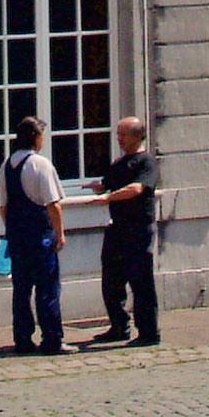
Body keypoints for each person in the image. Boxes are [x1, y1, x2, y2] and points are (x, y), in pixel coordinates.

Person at [83, 117, 159, 349]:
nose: (119, 139)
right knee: (111, 282)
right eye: (118, 134)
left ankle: (148, 332)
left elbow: (136, 189)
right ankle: (119, 327)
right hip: (117, 229)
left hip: (139, 230)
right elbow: (108, 183)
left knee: (141, 282)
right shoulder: (119, 163)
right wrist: (98, 186)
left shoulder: (147, 162)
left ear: (138, 136)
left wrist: (108, 197)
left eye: (123, 135)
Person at [0, 115, 65, 354]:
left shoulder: (7, 165)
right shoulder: (41, 165)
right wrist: (60, 233)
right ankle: (52, 339)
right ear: (36, 137)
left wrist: (13, 229)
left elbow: (3, 206)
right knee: (48, 288)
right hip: (40, 235)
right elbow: (53, 204)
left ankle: (23, 339)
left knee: (21, 290)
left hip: (17, 236)